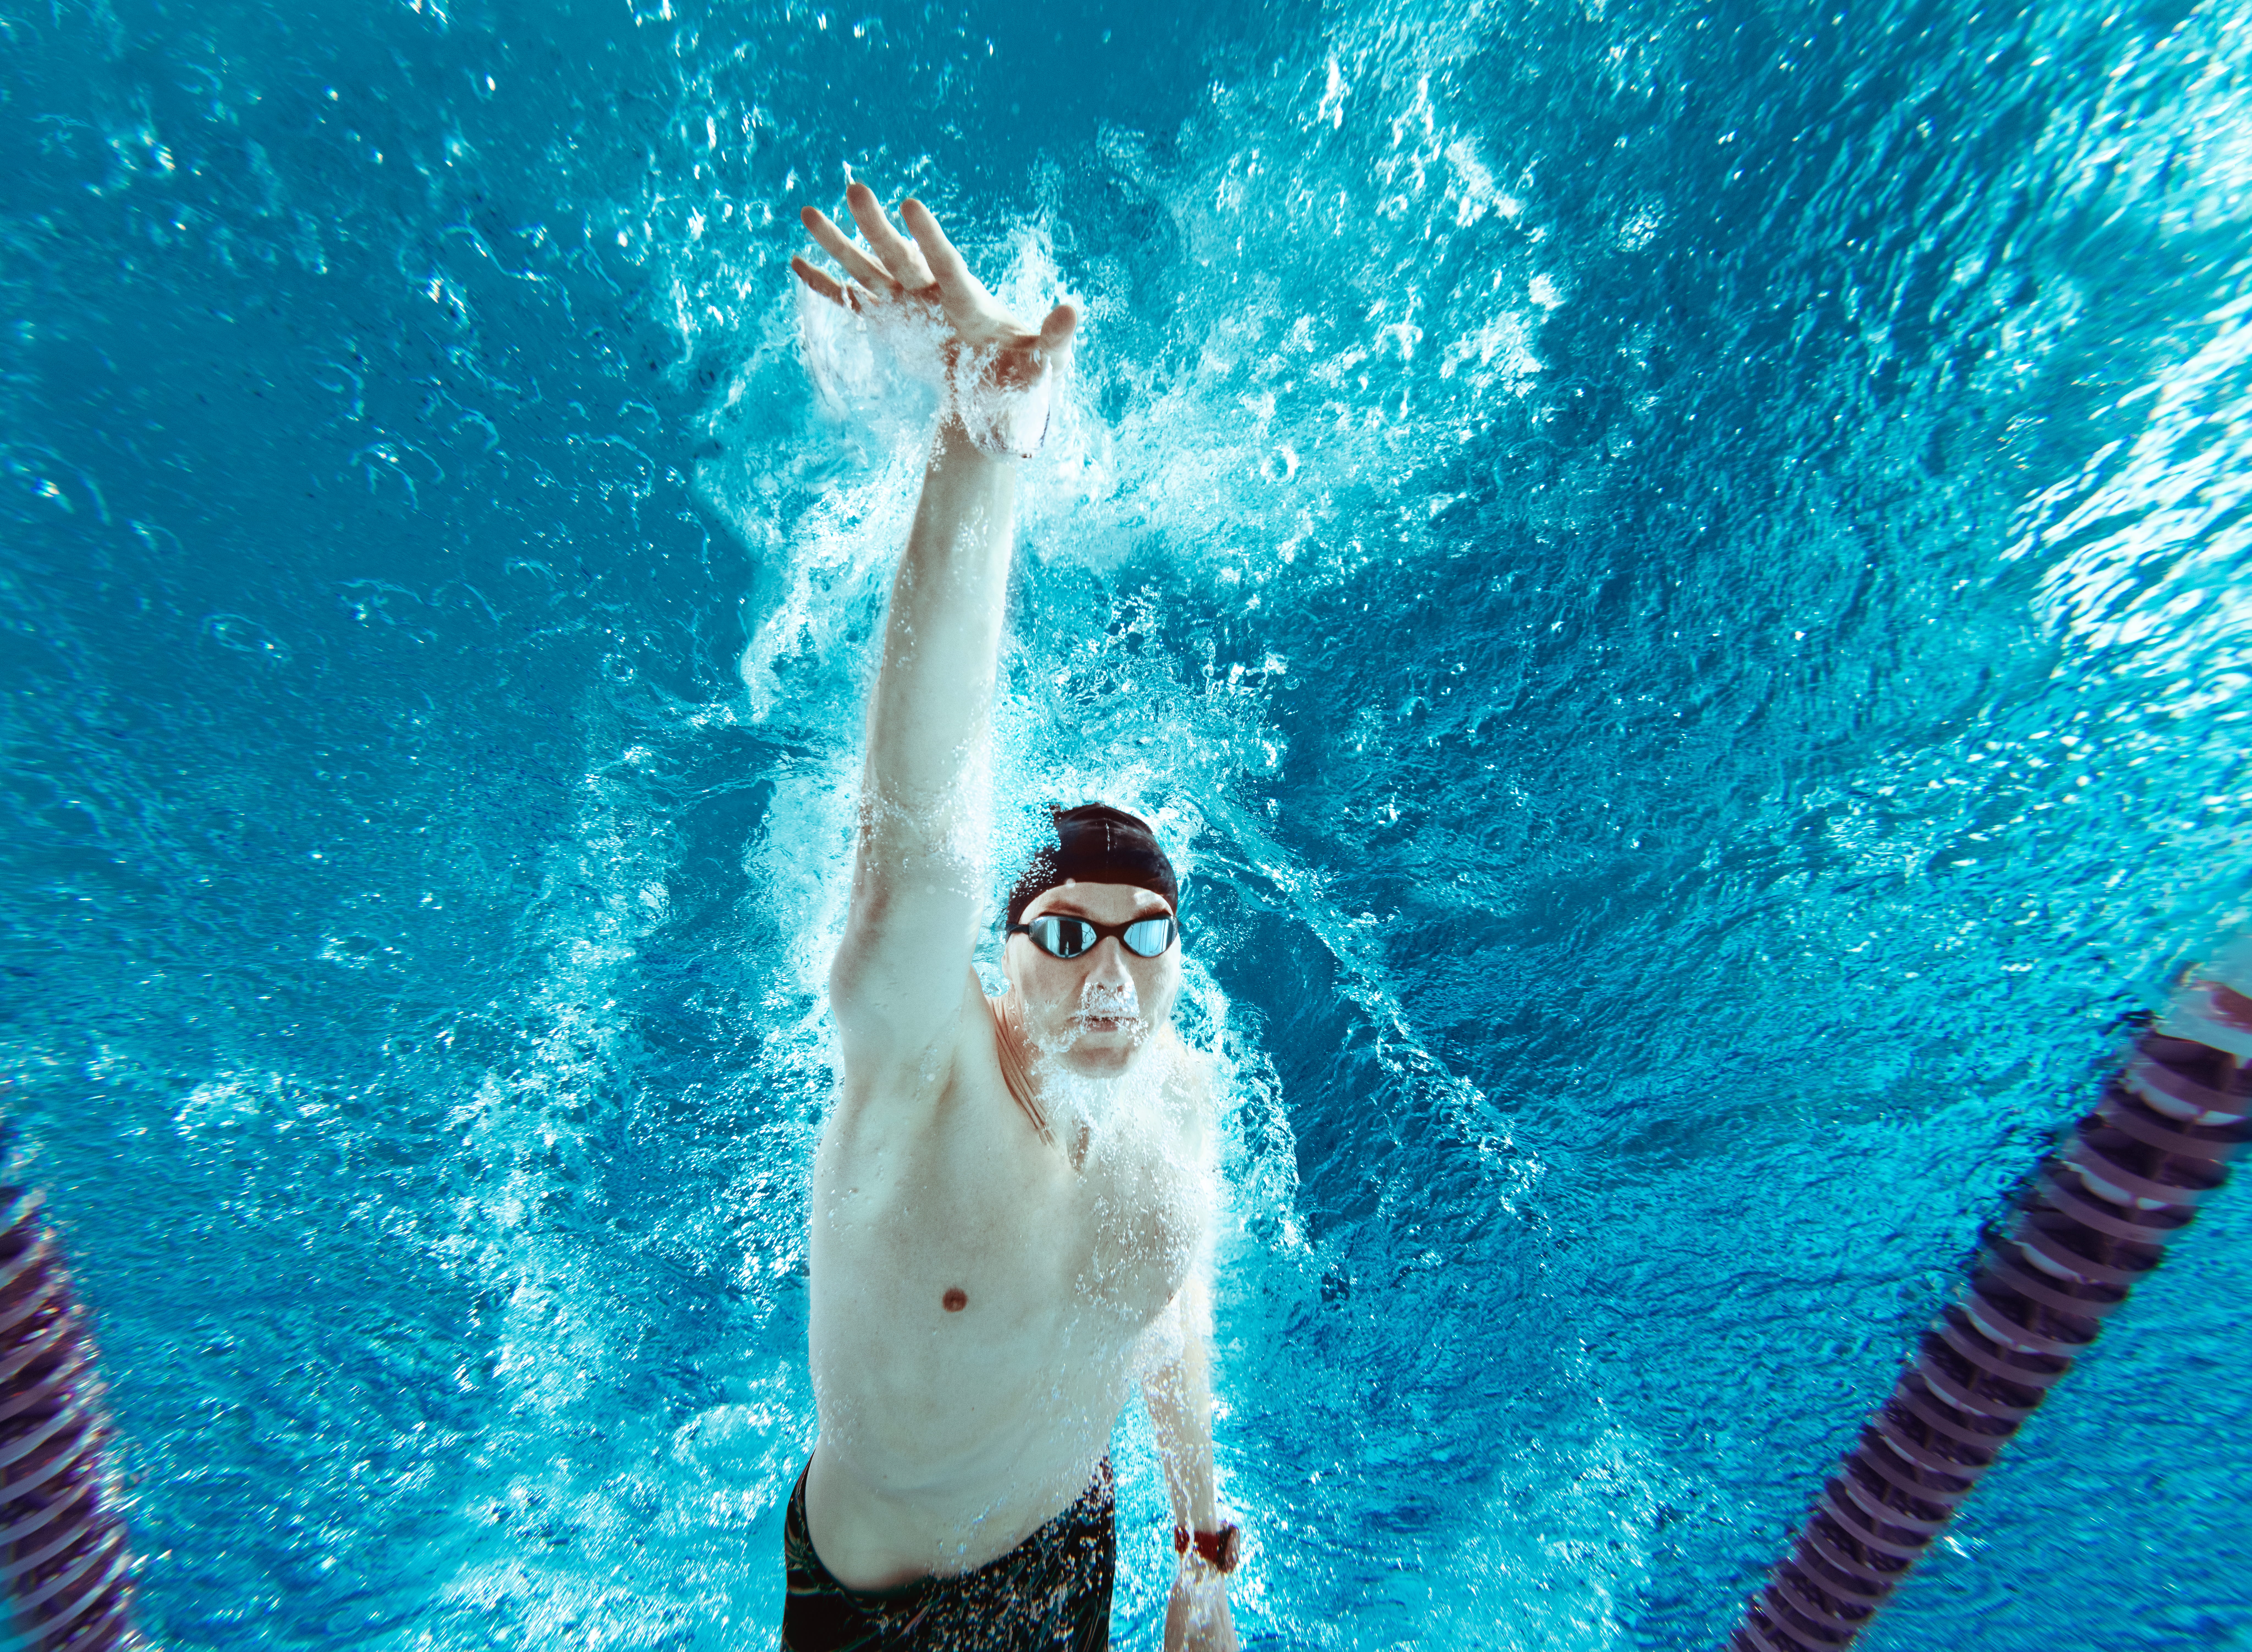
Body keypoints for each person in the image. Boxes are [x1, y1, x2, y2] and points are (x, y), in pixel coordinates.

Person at [777, 180, 1242, 1652]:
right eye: (1066, 933)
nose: (1110, 970)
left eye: (1144, 933)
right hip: (889, 1614)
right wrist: (982, 447)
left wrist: (1202, 1536)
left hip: (1076, 1552)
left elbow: (1162, 1304)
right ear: (1003, 955)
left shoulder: (1178, 1093)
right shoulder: (923, 1069)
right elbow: (917, 825)